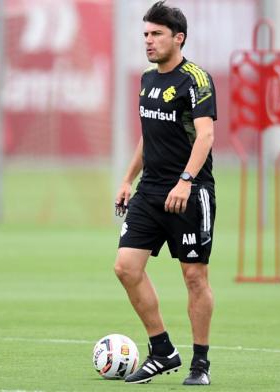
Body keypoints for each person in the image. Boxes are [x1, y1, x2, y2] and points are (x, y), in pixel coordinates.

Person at [114, 1, 217, 385]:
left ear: (179, 38)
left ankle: (200, 364)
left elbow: (205, 135)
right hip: (150, 191)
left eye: (156, 34)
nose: (149, 41)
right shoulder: (147, 80)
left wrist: (186, 182)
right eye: (145, 34)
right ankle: (162, 351)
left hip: (191, 192)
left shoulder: (196, 80)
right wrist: (127, 179)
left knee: (194, 276)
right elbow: (148, 136)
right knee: (126, 267)